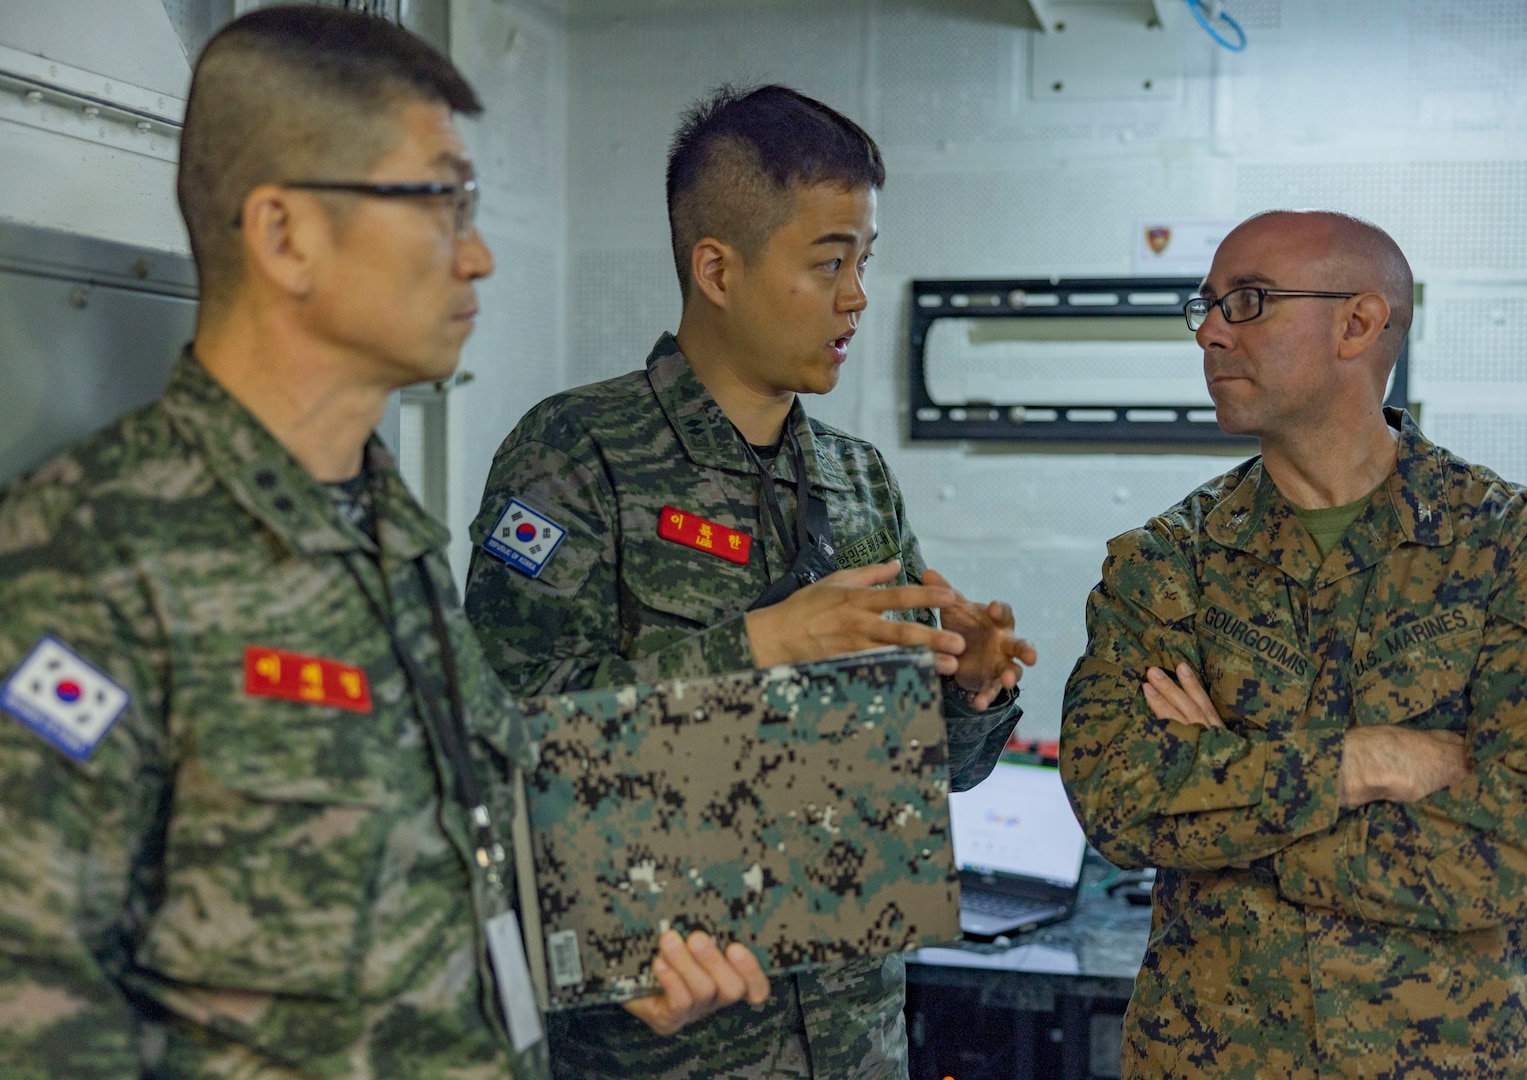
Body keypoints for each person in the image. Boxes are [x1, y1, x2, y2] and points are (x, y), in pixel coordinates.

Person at [0, 9, 762, 1077]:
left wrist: (598, 961)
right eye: (438, 200)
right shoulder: (89, 555)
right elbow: (34, 1001)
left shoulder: (384, 531)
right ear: (285, 235)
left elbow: (431, 876)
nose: (480, 252)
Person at [464, 84, 1037, 1078]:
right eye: (827, 262)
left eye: (863, 260)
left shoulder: (856, 482)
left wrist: (969, 690)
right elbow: (506, 739)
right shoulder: (575, 455)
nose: (855, 295)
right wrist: (758, 645)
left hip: (855, 1041)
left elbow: (923, 776)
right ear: (717, 269)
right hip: (672, 1050)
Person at [1062, 208, 1527, 1077]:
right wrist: (1359, 764)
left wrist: (1234, 802)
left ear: (1358, 323)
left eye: (1247, 301)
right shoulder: (1167, 563)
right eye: (1204, 304)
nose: (1209, 331)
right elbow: (1118, 801)